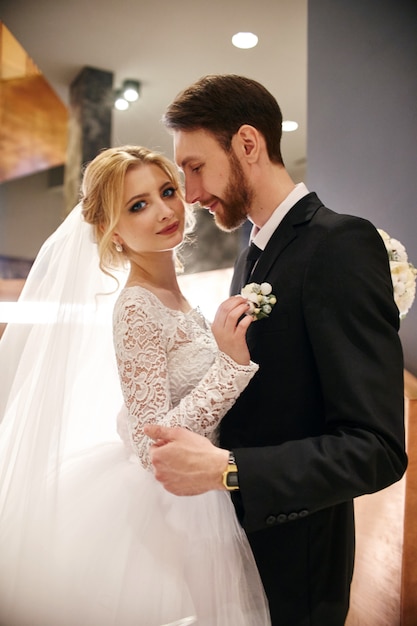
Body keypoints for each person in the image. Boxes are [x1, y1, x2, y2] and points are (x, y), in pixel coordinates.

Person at [144, 74, 408, 625]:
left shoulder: (340, 244)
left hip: (300, 564)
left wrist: (229, 469)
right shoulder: (251, 254)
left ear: (247, 144)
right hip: (239, 549)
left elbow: (376, 448)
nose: (190, 194)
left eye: (195, 167)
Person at [0, 145, 271, 625]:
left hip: (205, 492)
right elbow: (153, 448)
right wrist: (230, 368)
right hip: (170, 512)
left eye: (167, 191)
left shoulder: (178, 297)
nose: (165, 210)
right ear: (111, 231)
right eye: (138, 205)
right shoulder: (135, 309)